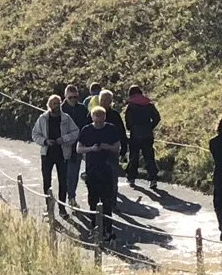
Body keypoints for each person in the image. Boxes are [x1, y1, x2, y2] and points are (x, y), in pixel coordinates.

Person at [76, 104, 123, 240]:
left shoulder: (111, 129)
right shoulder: (86, 130)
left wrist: (107, 147)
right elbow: (79, 149)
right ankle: (95, 228)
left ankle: (108, 229)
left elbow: (117, 147)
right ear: (92, 118)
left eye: (101, 119)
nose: (99, 122)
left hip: (107, 169)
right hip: (92, 170)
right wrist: (91, 149)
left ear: (104, 118)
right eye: (96, 119)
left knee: (107, 201)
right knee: (93, 200)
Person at [33, 94, 79, 215]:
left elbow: (76, 132)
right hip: (47, 154)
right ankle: (49, 208)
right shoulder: (42, 118)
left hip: (62, 154)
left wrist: (64, 139)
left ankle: (62, 209)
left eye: (58, 103)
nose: (57, 106)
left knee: (63, 182)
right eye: (54, 103)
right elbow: (35, 134)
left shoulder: (66, 118)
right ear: (49, 105)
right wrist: (45, 141)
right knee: (47, 181)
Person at [123, 84, 161, 187]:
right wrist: (150, 126)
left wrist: (131, 128)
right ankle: (153, 178)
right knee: (149, 157)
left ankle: (131, 178)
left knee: (134, 156)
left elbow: (128, 121)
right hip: (147, 134)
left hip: (135, 134)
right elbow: (157, 118)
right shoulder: (148, 104)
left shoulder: (131, 106)